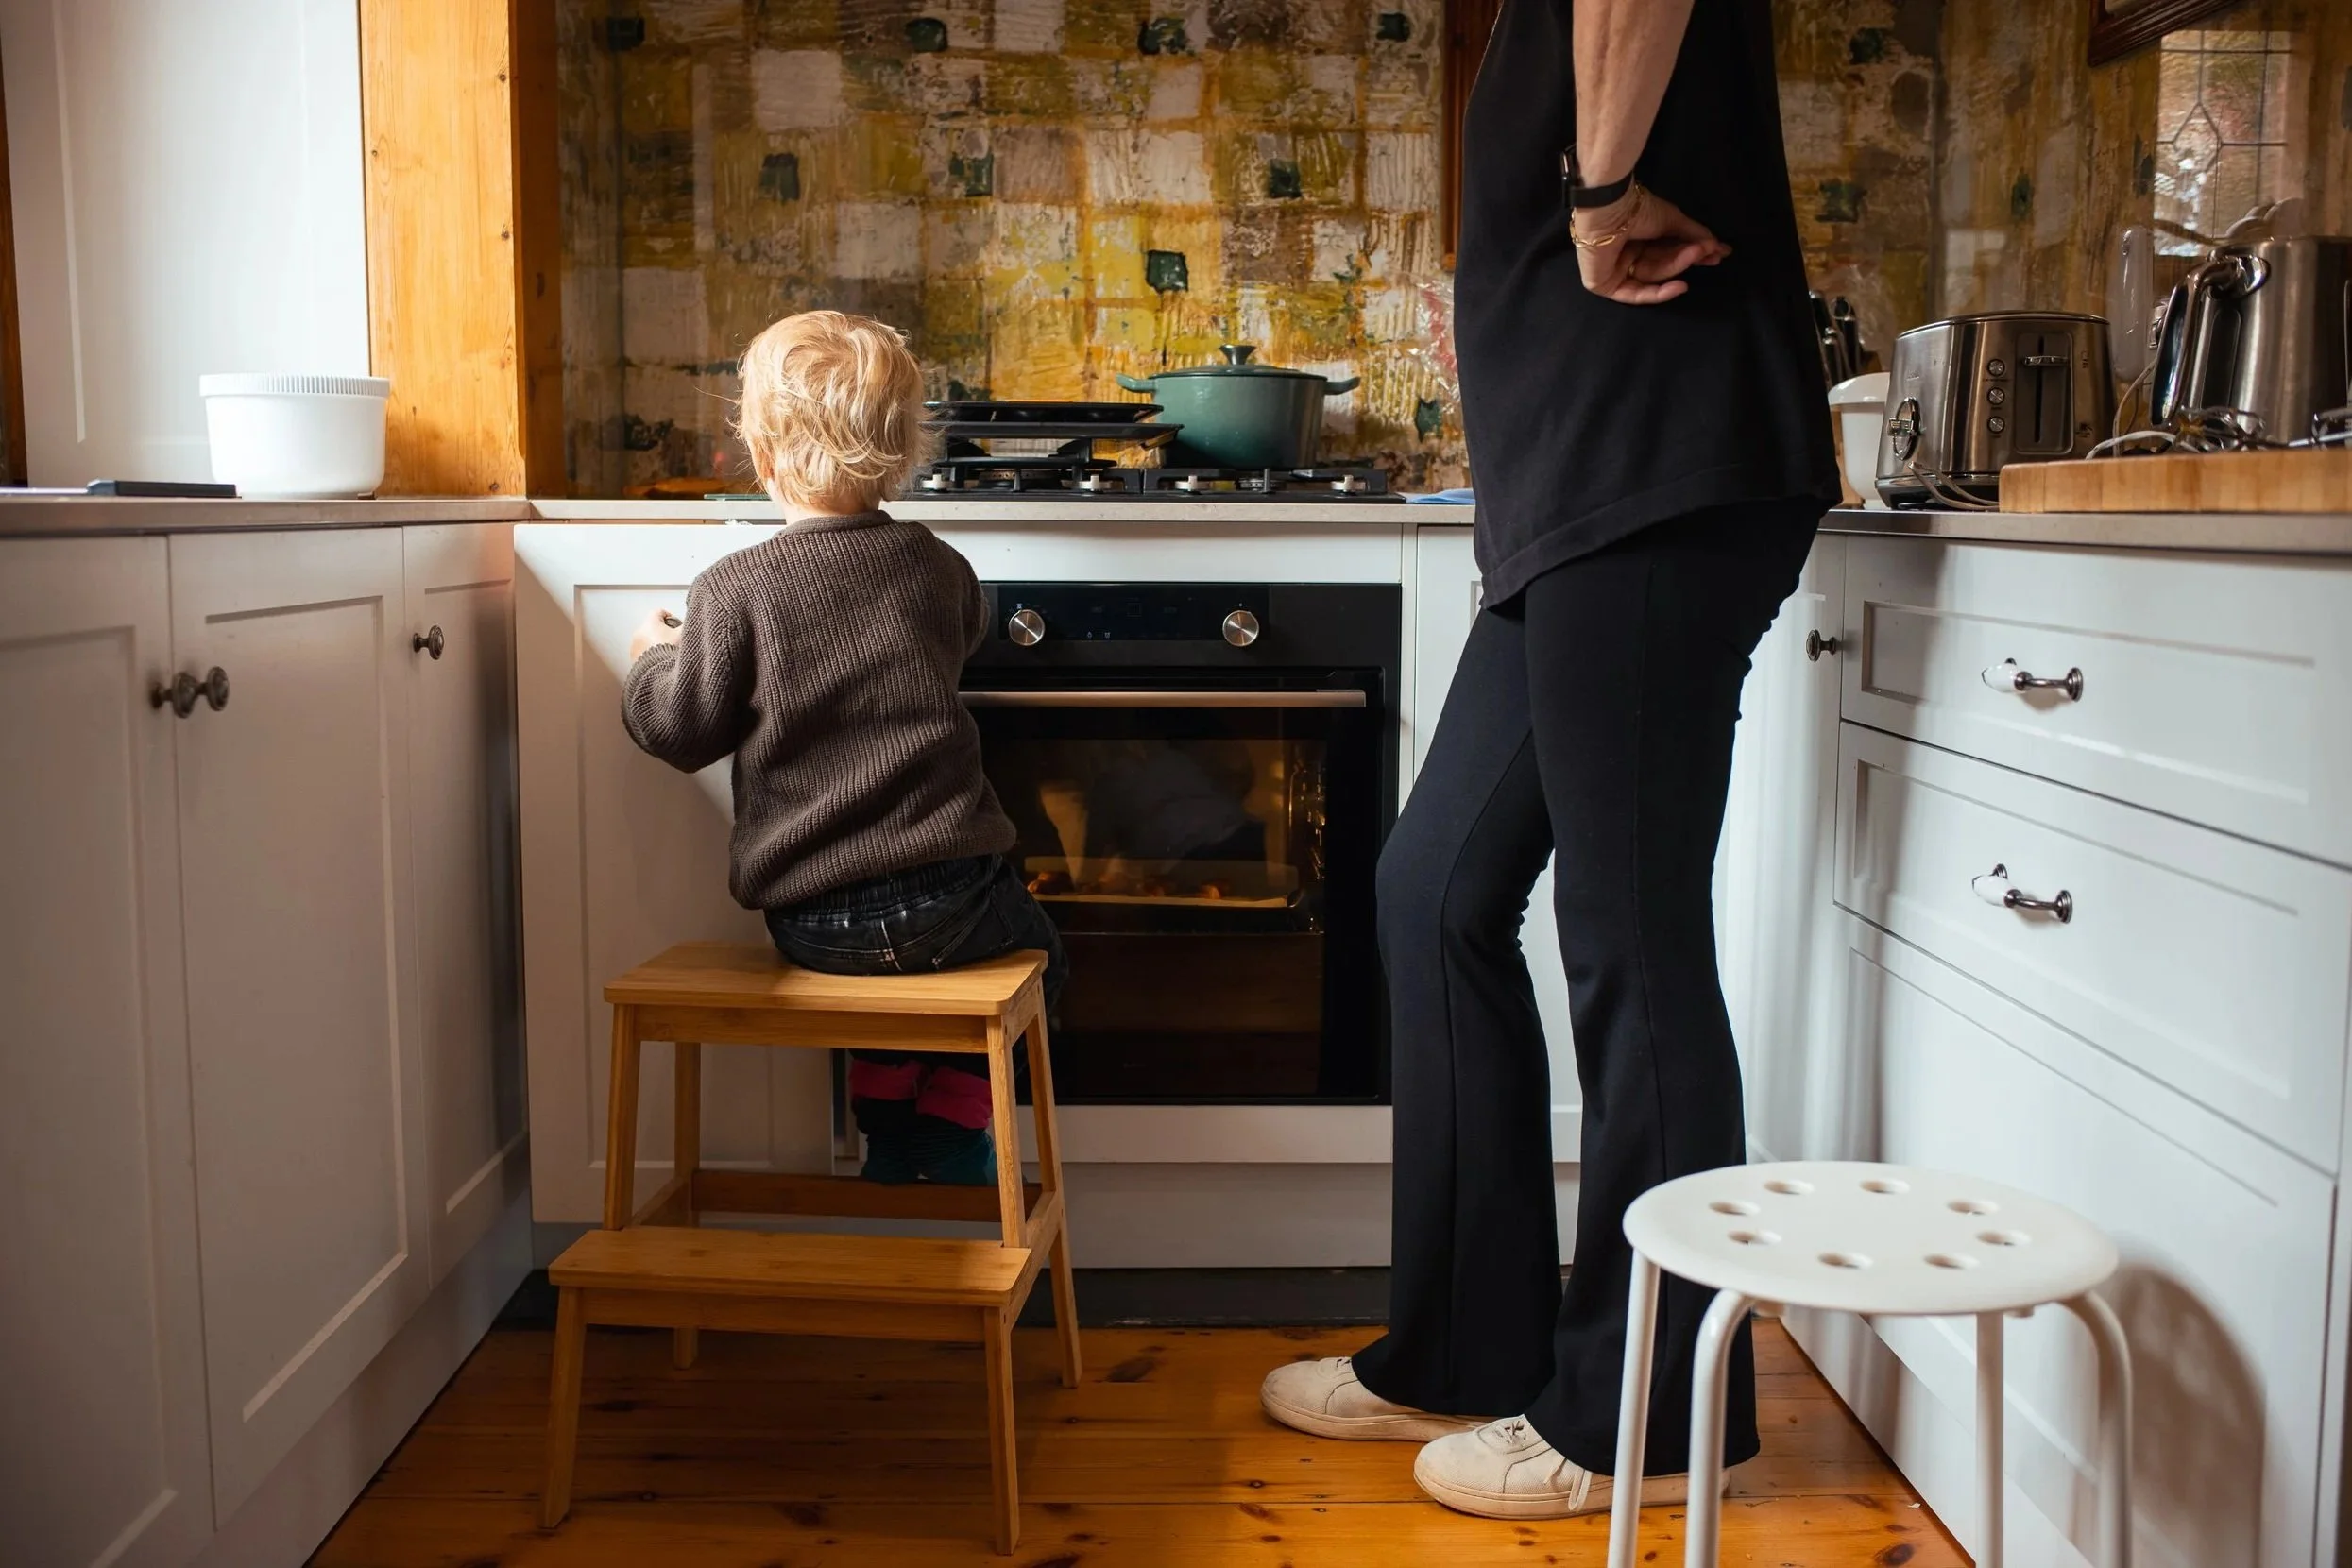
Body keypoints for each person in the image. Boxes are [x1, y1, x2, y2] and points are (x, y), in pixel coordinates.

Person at [1260, 0, 1839, 1522]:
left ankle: (1633, 1417)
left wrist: (1589, 204)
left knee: (1627, 938)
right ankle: (1463, 1346)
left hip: (1654, 457)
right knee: (1427, 889)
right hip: (1575, 490)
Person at [621, 310, 1066, 1187]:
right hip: (955, 900)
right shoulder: (937, 564)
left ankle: (889, 1125)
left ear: (764, 454)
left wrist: (653, 660)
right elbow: (965, 631)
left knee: (882, 1000)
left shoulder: (733, 588)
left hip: (814, 924)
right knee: (1046, 964)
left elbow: (677, 727)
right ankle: (951, 1115)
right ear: (905, 451)